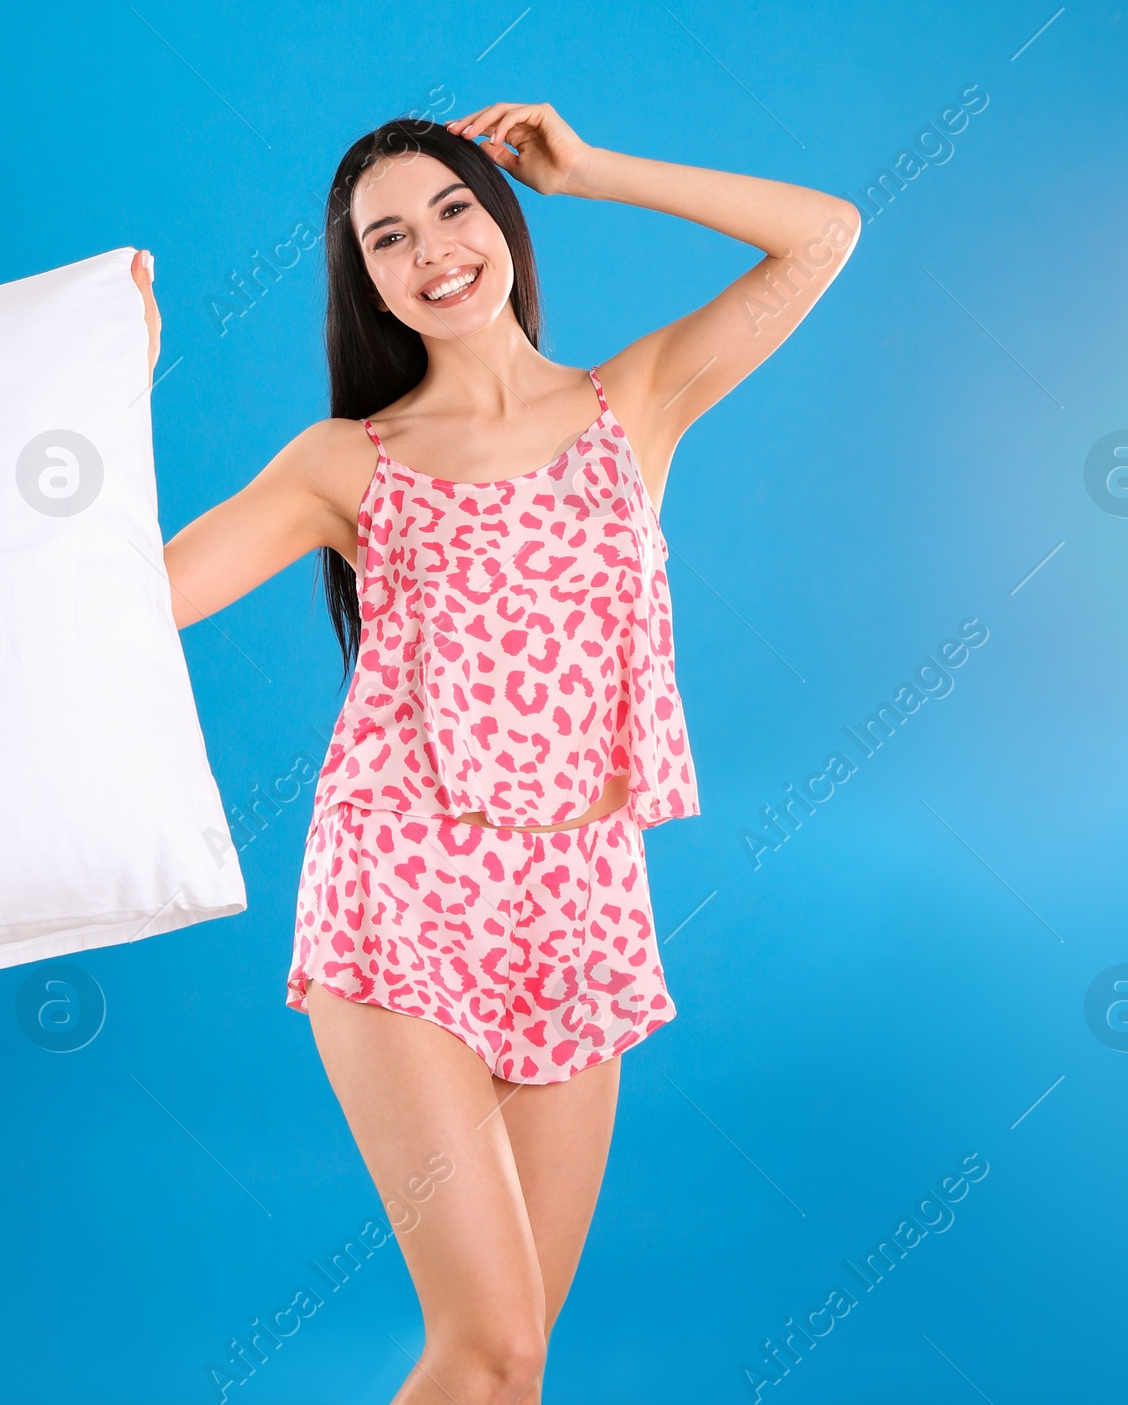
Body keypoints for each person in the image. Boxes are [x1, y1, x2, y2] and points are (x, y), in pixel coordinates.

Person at [131, 100, 860, 1405]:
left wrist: (599, 169)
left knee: (517, 1371)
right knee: (491, 1349)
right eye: (389, 238)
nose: (433, 252)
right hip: (402, 892)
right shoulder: (349, 462)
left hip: (584, 898)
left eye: (456, 209)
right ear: (366, 282)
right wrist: (113, 395)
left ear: (507, 223)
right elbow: (128, 603)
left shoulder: (628, 404)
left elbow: (822, 236)